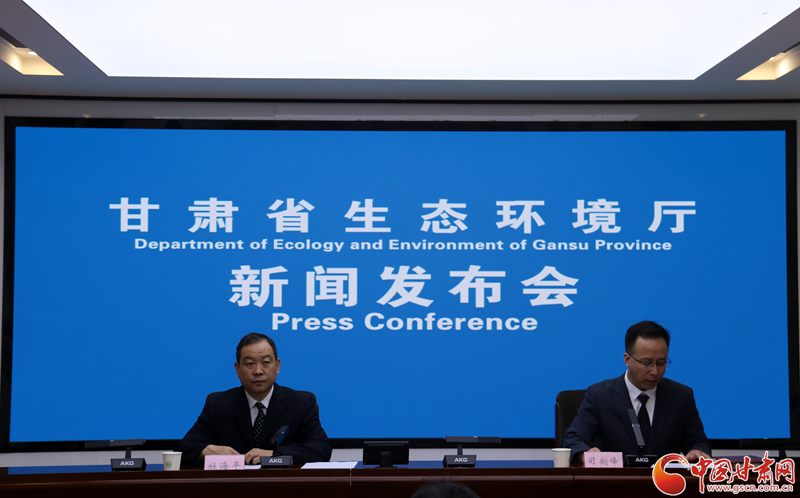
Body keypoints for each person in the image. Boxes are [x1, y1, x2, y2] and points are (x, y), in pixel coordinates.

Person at [561, 321, 711, 464]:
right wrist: (585, 454)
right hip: (617, 479)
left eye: (661, 363)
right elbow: (572, 439)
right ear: (627, 359)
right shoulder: (600, 396)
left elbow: (698, 442)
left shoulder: (681, 396)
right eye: (646, 363)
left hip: (665, 479)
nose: (654, 371)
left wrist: (697, 450)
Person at [174, 333, 332, 466]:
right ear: (237, 369)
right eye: (250, 364)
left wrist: (273, 455)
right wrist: (208, 450)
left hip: (283, 486)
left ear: (277, 366)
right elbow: (183, 449)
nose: (258, 371)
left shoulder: (300, 403)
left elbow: (322, 449)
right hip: (233, 487)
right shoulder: (218, 405)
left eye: (266, 363)